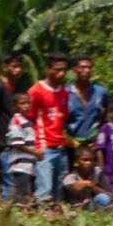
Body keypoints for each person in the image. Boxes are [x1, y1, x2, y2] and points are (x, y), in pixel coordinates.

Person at [28, 52, 73, 206]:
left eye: (64, 70)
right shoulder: (36, 91)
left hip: (60, 147)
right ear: (48, 69)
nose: (61, 74)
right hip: (44, 146)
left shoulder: (65, 93)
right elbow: (28, 119)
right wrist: (33, 147)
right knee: (44, 190)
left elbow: (63, 119)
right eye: (57, 69)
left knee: (59, 190)